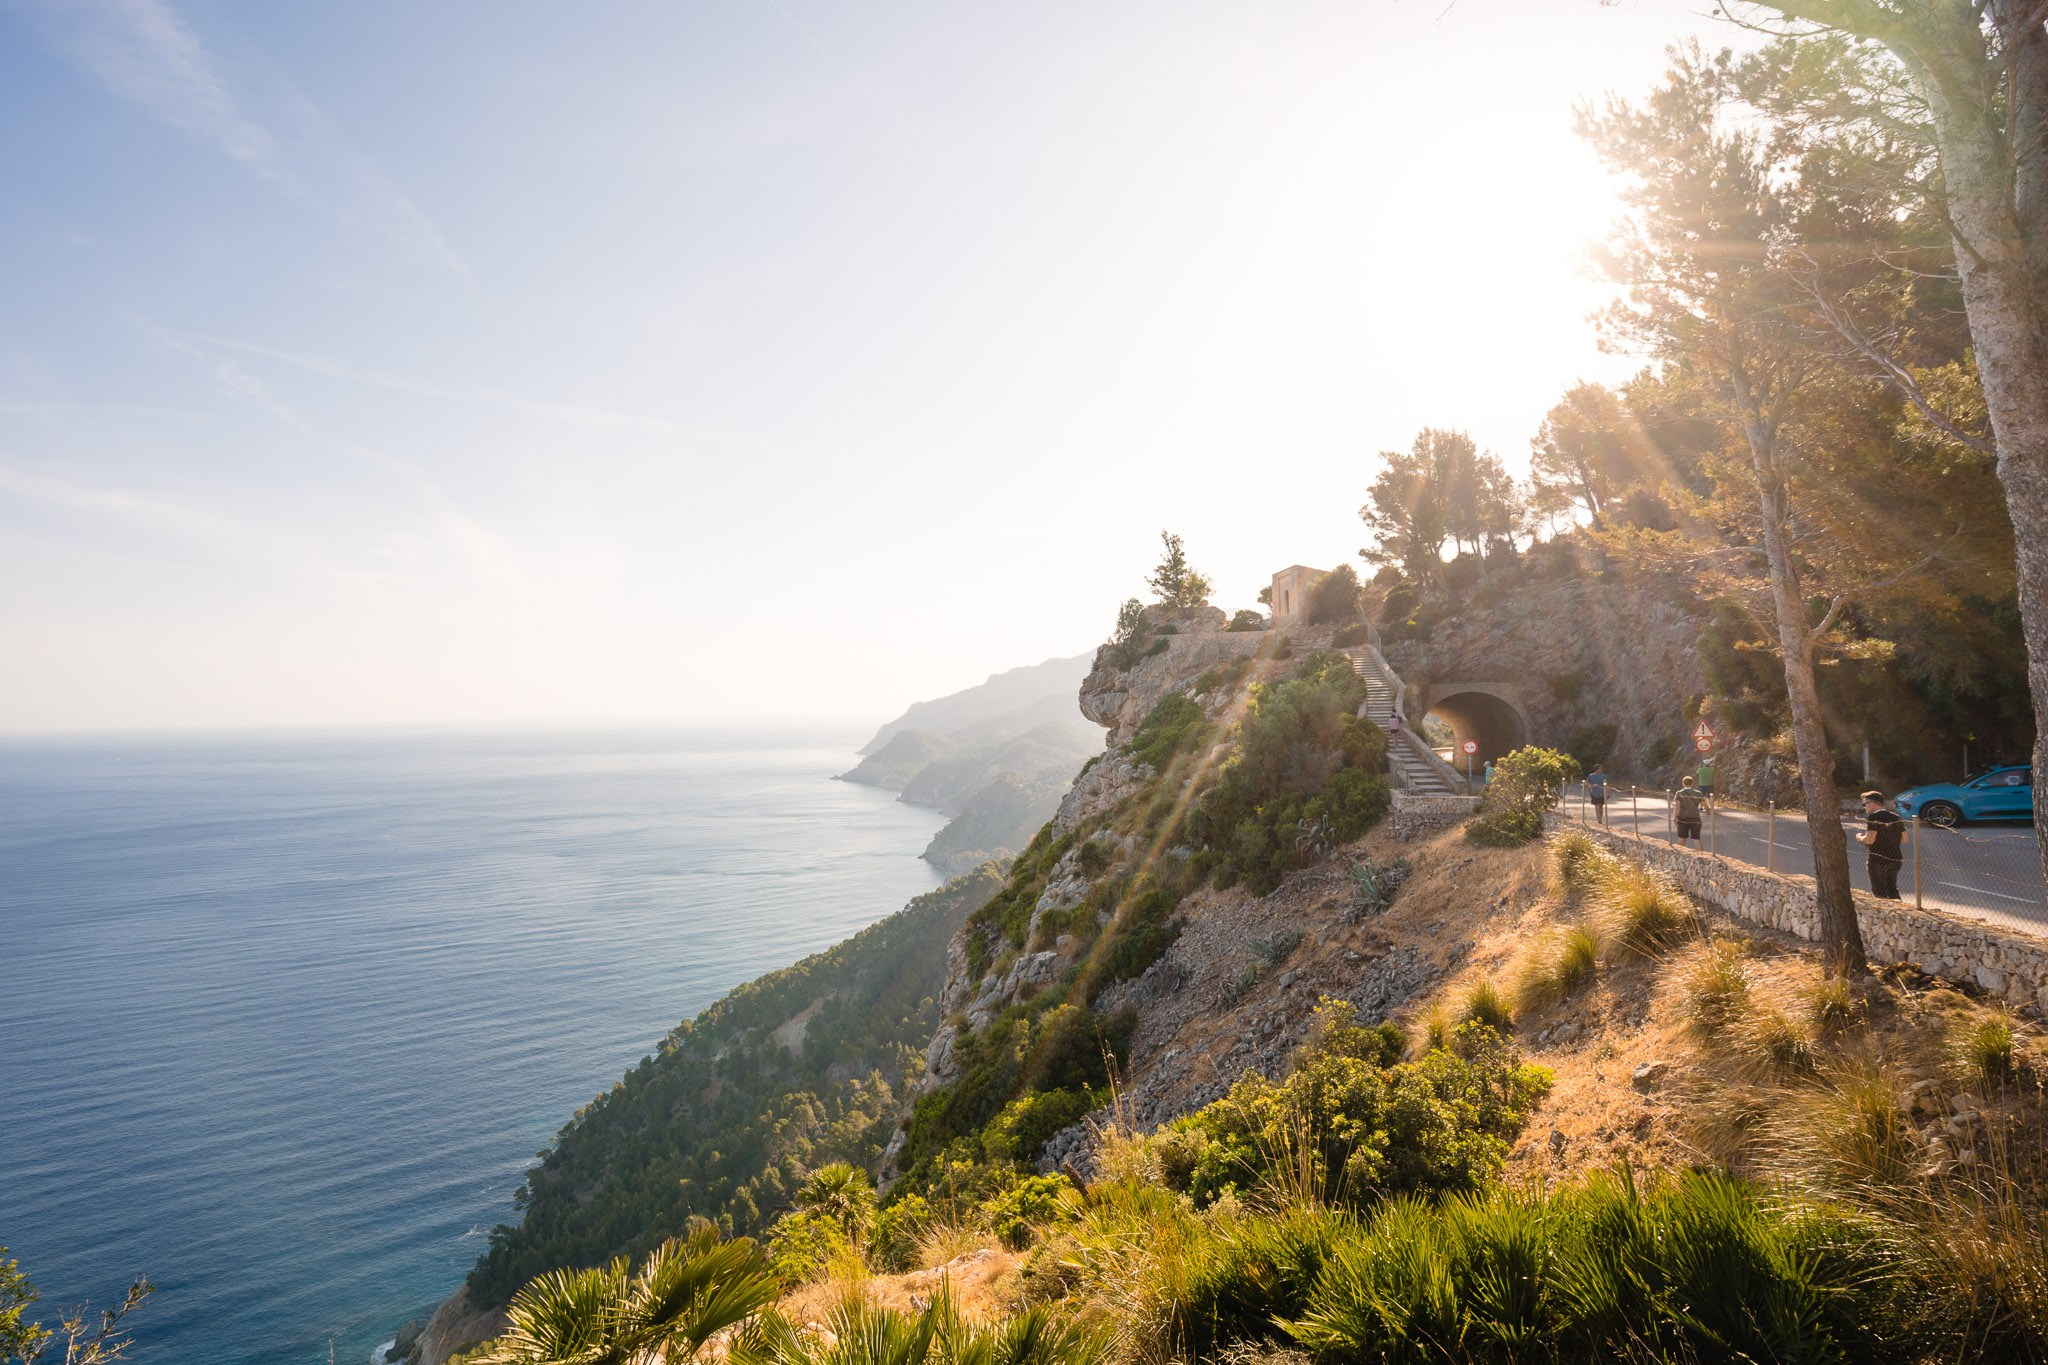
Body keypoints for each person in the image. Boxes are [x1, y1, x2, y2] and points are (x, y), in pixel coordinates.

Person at [1855, 789, 1909, 900]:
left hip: (1878, 859)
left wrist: (1859, 837)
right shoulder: (1895, 817)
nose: (1864, 807)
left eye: (1865, 804)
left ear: (1873, 803)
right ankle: (1897, 911)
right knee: (1892, 889)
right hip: (1895, 858)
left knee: (1879, 892)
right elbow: (1905, 839)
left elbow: (1869, 840)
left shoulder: (1873, 817)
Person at [1673, 775, 1706, 849]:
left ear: (1683, 783)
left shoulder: (1679, 793)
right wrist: (1708, 811)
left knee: (1682, 839)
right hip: (1695, 819)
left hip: (1682, 819)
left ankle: (1680, 856)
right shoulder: (1698, 793)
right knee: (1696, 839)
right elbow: (1705, 805)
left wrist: (1675, 818)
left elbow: (1677, 807)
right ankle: (1701, 857)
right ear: (1692, 783)